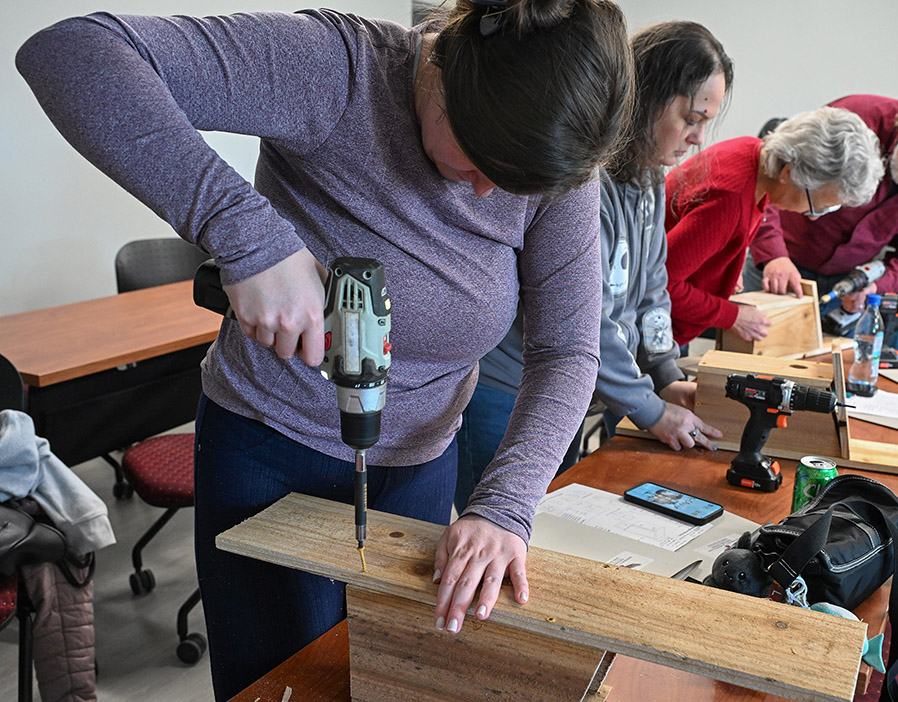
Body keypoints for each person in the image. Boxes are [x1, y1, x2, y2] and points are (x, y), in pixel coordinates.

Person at [17, 1, 631, 699]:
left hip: (422, 467)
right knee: (279, 686)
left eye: (514, 185)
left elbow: (568, 349)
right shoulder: (340, 69)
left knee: (393, 680)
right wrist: (246, 235)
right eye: (483, 161)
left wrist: (504, 506)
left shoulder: (554, 159)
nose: (491, 193)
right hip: (266, 453)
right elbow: (72, 52)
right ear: (454, 75)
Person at [456, 21, 732, 514]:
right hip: (509, 389)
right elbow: (588, 320)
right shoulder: (585, 181)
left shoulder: (648, 177)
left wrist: (666, 374)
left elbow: (651, 289)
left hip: (565, 388)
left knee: (543, 525)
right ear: (646, 97)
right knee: (504, 527)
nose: (697, 138)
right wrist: (650, 410)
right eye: (692, 118)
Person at [743, 96, 898, 316]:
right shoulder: (855, 119)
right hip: (780, 263)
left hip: (847, 286)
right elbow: (771, 178)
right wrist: (774, 254)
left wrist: (876, 287)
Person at [665, 106, 885, 347]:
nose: (813, 217)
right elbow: (660, 285)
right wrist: (733, 316)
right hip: (647, 331)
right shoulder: (729, 199)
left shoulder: (752, 153)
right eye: (817, 205)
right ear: (789, 172)